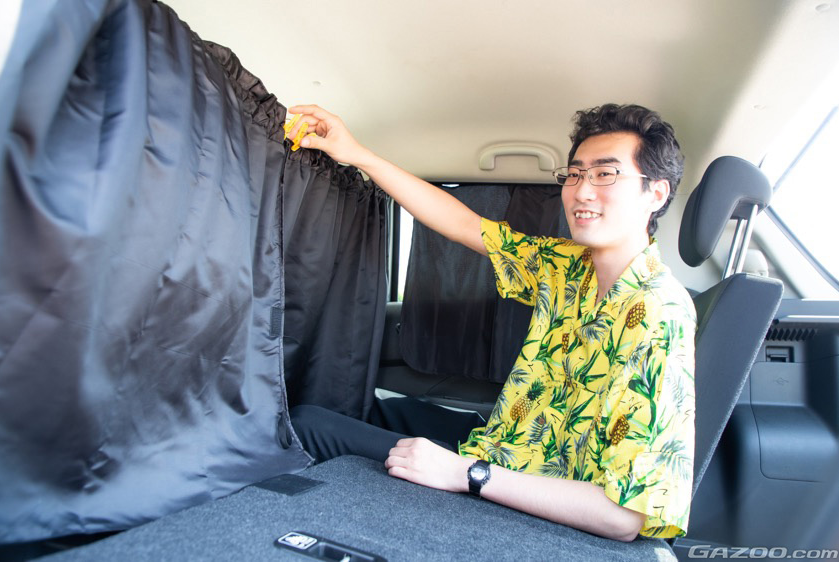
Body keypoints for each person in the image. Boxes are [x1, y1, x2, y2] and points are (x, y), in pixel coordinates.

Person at [286, 103, 696, 542]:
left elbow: (624, 517)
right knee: (359, 406)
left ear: (655, 194)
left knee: (310, 424)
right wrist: (357, 154)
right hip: (501, 446)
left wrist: (467, 473)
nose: (582, 191)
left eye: (605, 174)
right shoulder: (568, 266)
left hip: (524, 495)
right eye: (575, 174)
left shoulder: (660, 312)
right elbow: (464, 224)